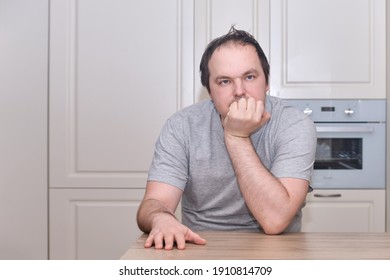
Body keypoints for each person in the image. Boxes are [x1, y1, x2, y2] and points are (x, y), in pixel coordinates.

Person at [137, 27, 317, 250]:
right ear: (210, 92)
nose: (240, 91)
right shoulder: (181, 126)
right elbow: (155, 203)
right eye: (224, 81)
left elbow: (275, 220)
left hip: (276, 250)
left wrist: (236, 137)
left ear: (267, 82)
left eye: (249, 77)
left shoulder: (293, 124)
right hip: (200, 247)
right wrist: (160, 218)